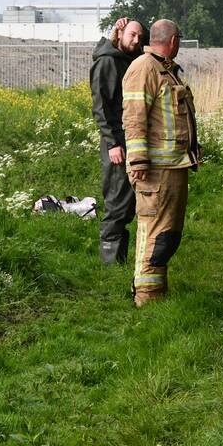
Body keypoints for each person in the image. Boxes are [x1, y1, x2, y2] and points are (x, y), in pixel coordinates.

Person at [122, 19, 200, 307]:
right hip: (155, 170)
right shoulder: (143, 69)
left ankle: (157, 292)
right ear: (174, 40)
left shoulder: (166, 69)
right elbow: (134, 117)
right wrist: (139, 160)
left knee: (168, 234)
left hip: (174, 166)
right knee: (154, 231)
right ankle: (146, 297)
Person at [90, 17, 144, 265]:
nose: (136, 41)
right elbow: (101, 107)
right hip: (116, 143)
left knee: (129, 200)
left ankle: (120, 260)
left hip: (132, 139)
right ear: (119, 33)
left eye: (139, 37)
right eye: (132, 35)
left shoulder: (131, 60)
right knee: (116, 198)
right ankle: (110, 264)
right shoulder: (107, 62)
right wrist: (112, 143)